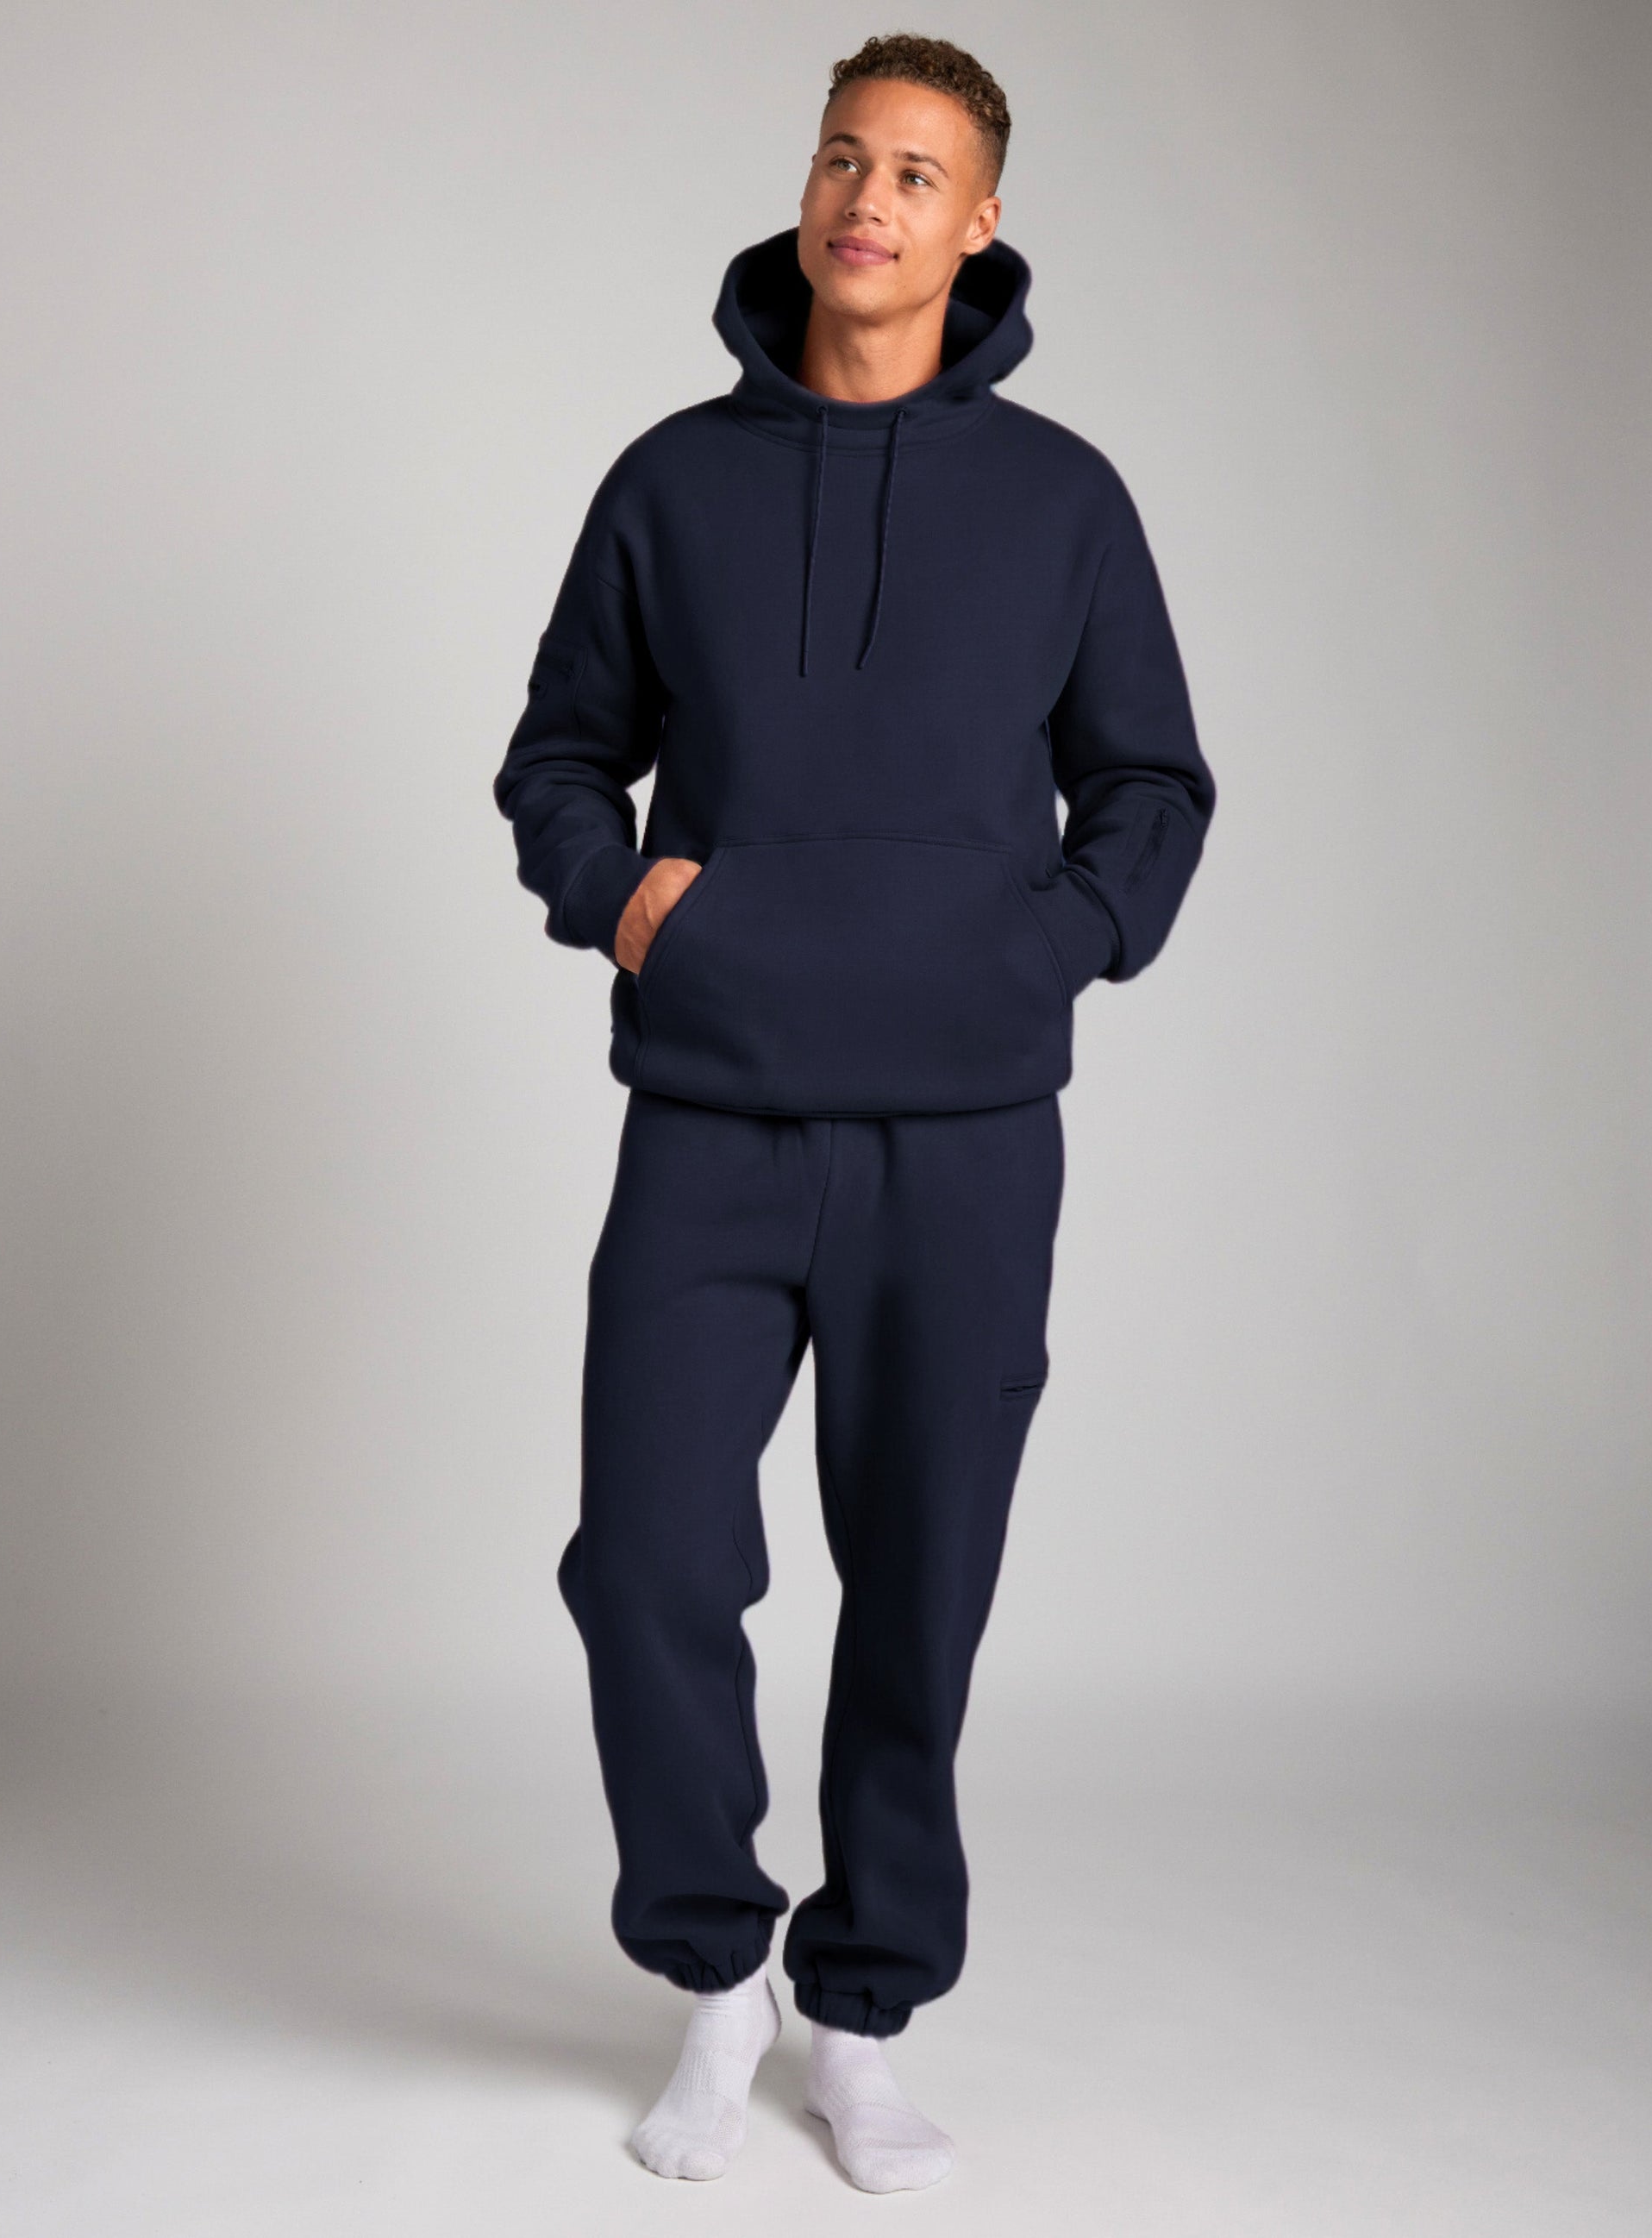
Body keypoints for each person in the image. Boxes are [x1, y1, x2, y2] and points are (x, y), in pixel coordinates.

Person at [492, 31, 1215, 2193]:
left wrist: (1049, 944)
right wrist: (629, 900)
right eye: (841, 157)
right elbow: (557, 758)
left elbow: (1151, 783)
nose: (866, 198)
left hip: (966, 1132)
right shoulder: (670, 482)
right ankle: (716, 1972)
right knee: (643, 1555)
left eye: (914, 172)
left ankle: (865, 2007)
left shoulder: (1063, 500)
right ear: (804, 191)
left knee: (918, 1579)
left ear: (978, 224)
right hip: (712, 1111)